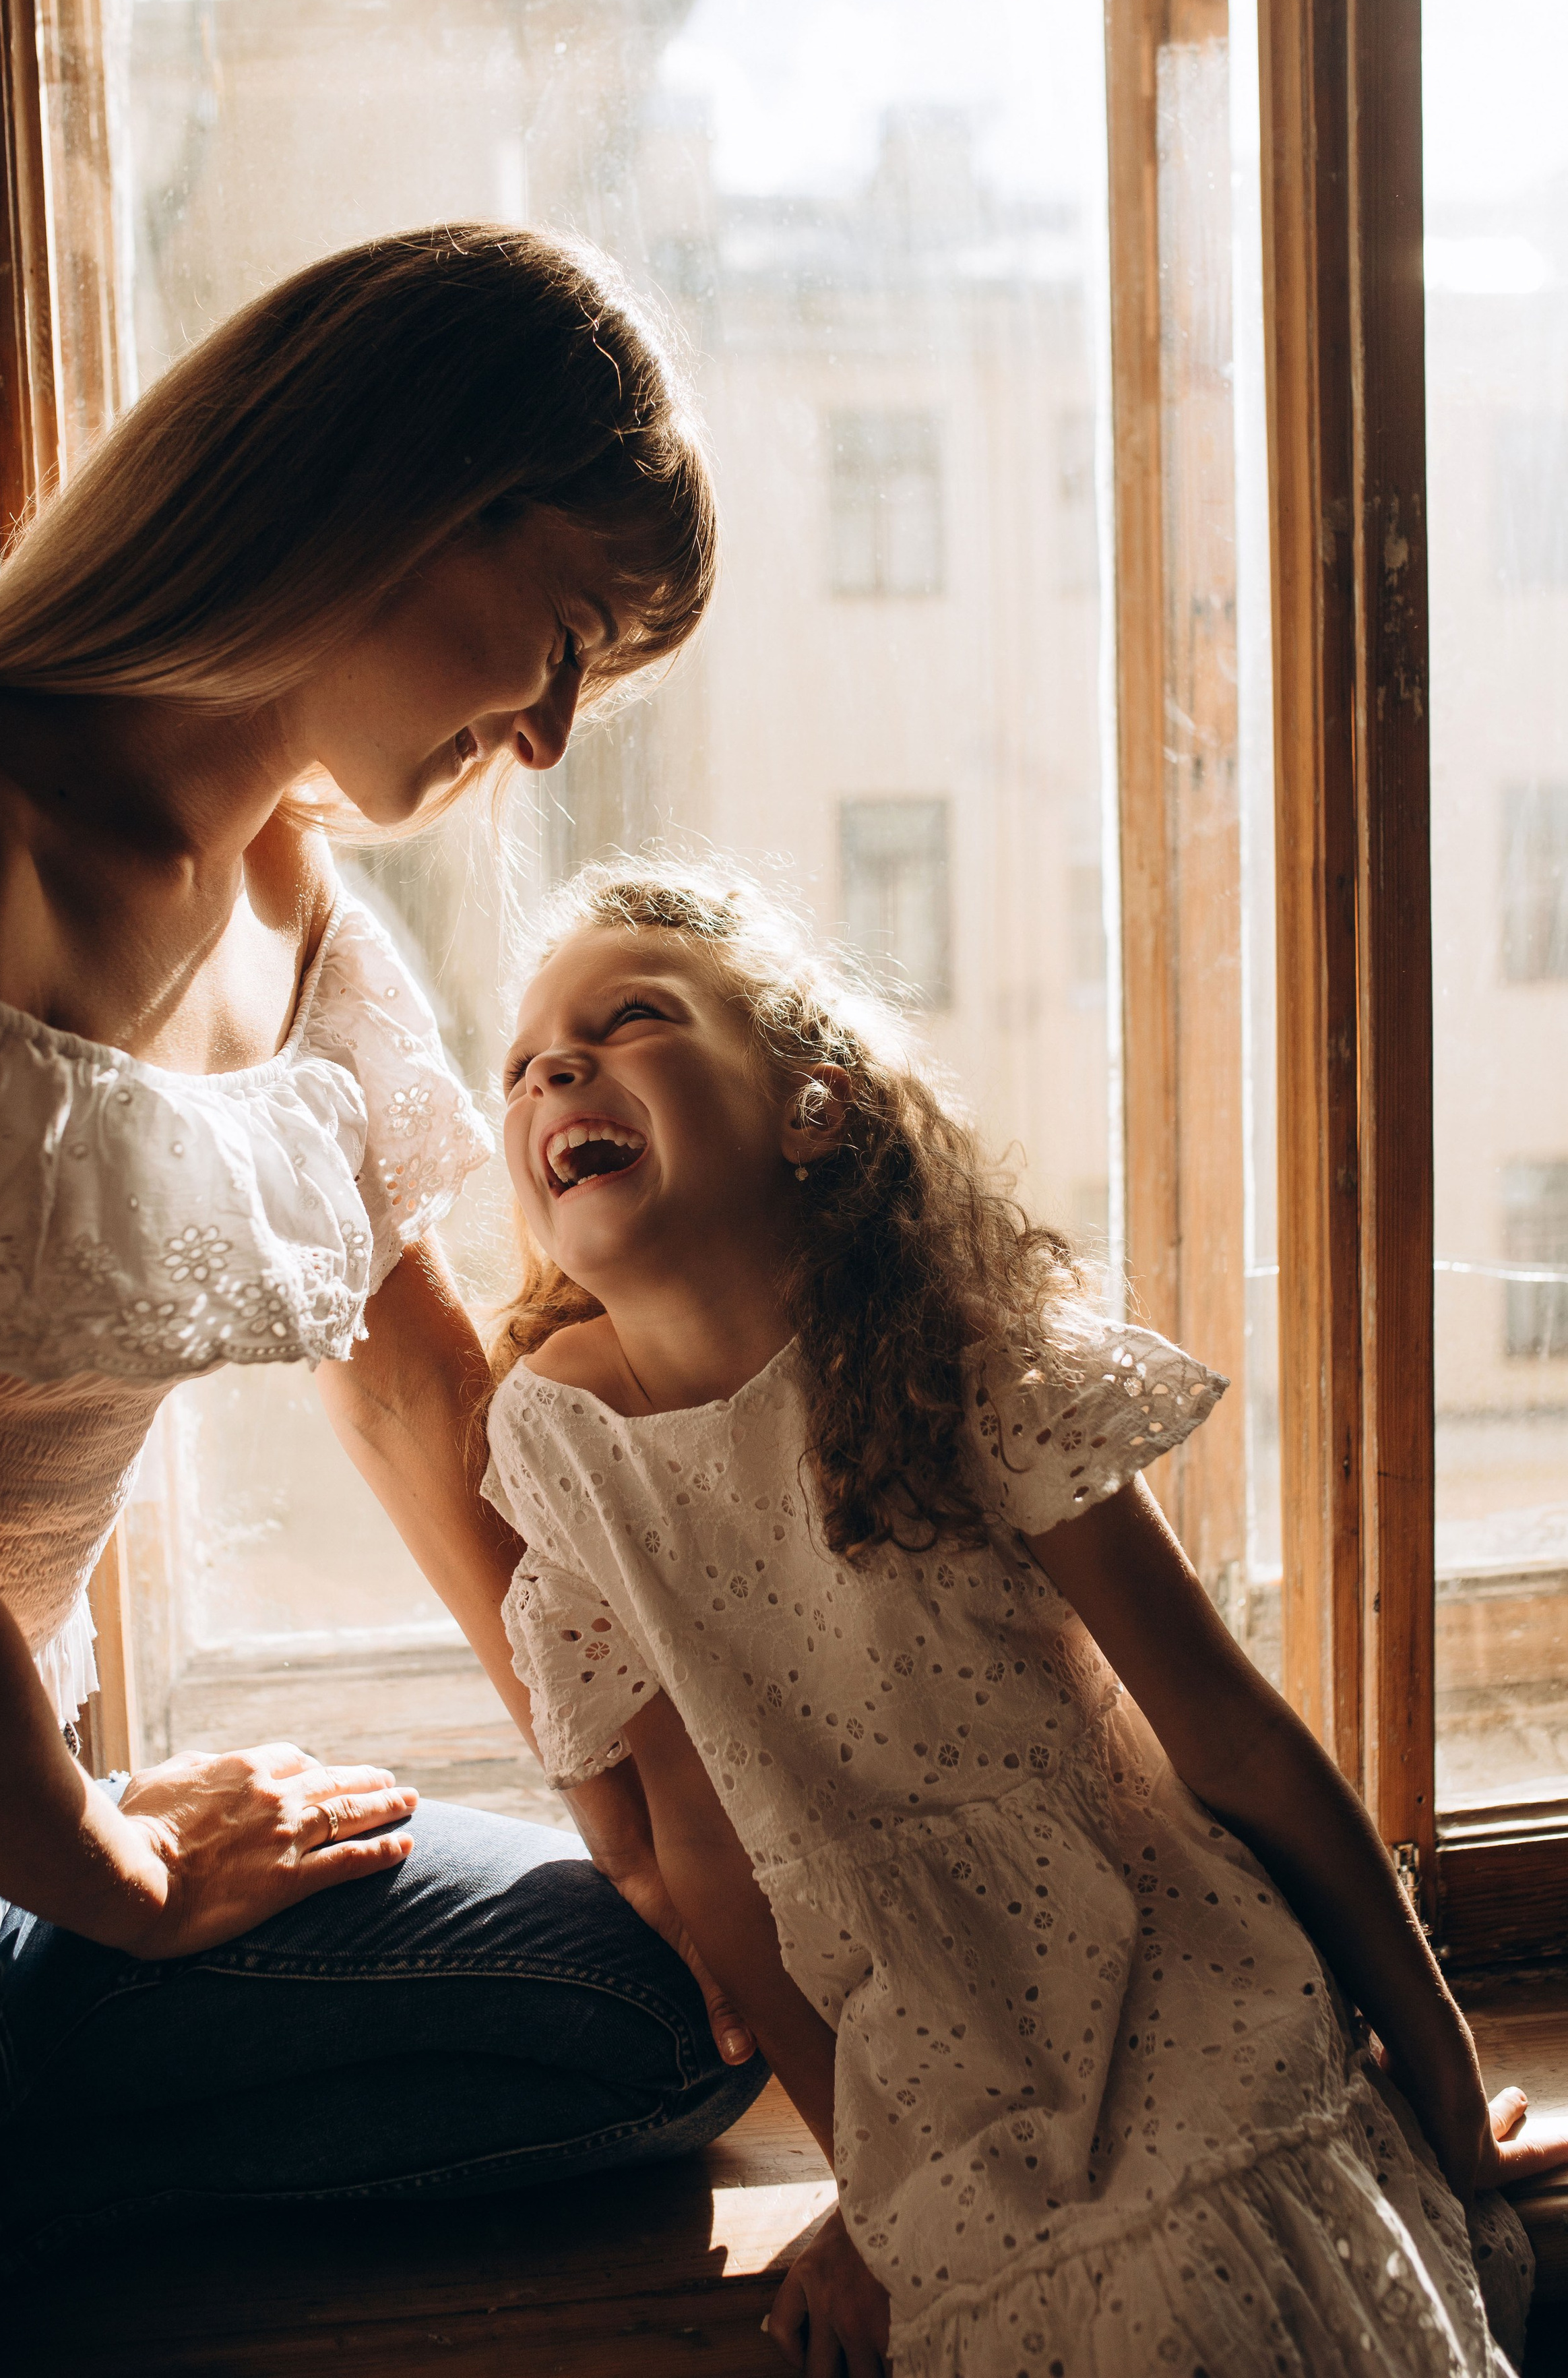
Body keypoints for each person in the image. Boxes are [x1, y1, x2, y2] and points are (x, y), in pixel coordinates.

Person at [0, 227, 764, 2377]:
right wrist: (120, 1879)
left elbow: (416, 1392)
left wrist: (654, 1823)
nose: (544, 737)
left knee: (652, 2017)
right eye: (562, 638)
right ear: (395, 492)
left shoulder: (284, 881)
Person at [482, 857, 1567, 2378]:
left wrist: (1442, 2083)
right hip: (921, 2056)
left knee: (1188, 2296)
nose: (554, 1068)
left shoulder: (954, 1354)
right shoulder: (558, 1437)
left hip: (1163, 1970)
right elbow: (709, 1862)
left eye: (630, 1016)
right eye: (522, 1061)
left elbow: (1234, 1739)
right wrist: (869, 2188)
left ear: (814, 1107)